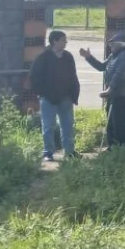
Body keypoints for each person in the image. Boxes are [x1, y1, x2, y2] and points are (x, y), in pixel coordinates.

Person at [28, 29, 80, 161]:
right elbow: (34, 77)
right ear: (54, 41)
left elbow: (73, 76)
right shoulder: (43, 57)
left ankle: (69, 151)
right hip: (48, 99)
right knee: (48, 126)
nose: (65, 42)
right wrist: (42, 93)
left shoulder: (68, 57)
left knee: (67, 126)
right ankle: (48, 153)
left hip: (66, 98)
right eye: (63, 40)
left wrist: (73, 94)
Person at [80, 31, 125, 149]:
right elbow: (101, 67)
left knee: (119, 123)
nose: (111, 46)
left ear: (121, 44)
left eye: (113, 44)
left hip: (121, 95)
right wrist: (88, 57)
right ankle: (112, 146)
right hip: (113, 95)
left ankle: (124, 148)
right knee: (110, 123)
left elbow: (119, 75)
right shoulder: (113, 56)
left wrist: (110, 89)